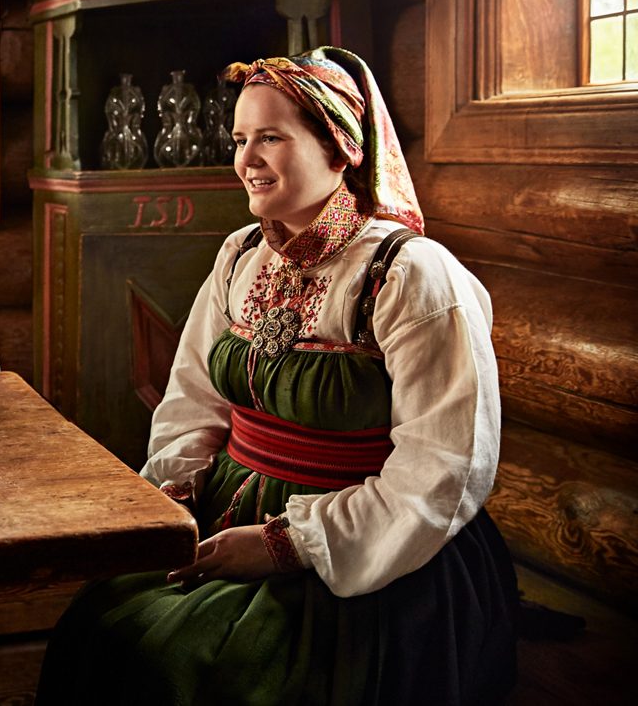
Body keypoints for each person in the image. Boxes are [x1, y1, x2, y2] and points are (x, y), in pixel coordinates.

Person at [36, 47, 518, 705]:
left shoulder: (410, 277)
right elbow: (193, 398)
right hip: (224, 513)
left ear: (339, 147)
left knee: (195, 664)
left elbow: (444, 470)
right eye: (240, 139)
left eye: (271, 137)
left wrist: (286, 545)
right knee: (104, 625)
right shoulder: (239, 255)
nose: (247, 159)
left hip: (374, 552)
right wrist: (175, 496)